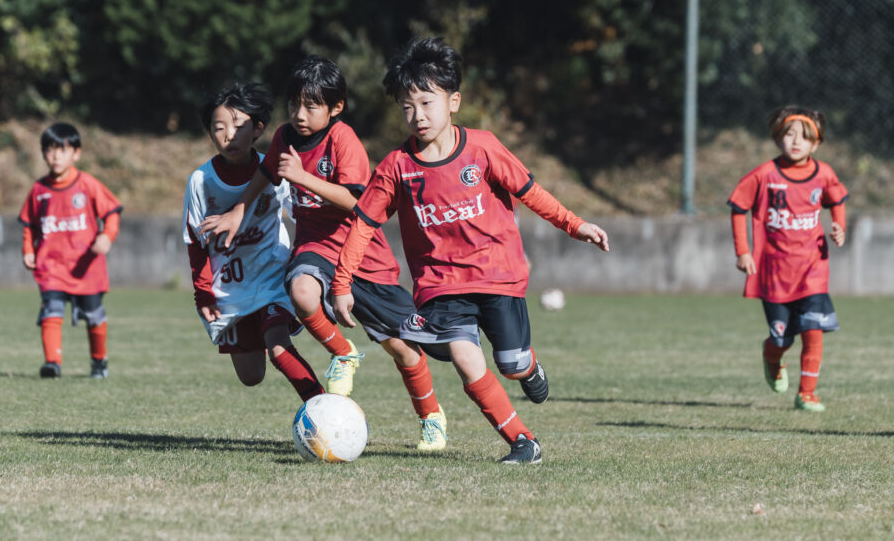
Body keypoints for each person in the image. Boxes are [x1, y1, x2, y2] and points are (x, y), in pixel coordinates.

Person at [332, 37, 610, 464]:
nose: (418, 115)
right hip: (442, 286)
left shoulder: (482, 148)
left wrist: (576, 225)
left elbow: (531, 192)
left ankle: (528, 367)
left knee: (512, 364)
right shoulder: (396, 168)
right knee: (465, 358)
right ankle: (523, 442)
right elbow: (363, 226)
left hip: (498, 275)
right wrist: (342, 282)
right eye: (407, 106)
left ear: (453, 101)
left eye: (427, 102)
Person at [201, 56, 449, 451]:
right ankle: (343, 352)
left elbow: (357, 203)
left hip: (360, 252)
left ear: (335, 108)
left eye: (311, 106)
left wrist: (302, 177)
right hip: (314, 246)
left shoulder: (343, 140)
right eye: (294, 104)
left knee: (402, 348)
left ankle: (431, 418)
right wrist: (238, 210)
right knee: (301, 291)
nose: (300, 115)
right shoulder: (284, 137)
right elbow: (266, 174)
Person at [183, 82, 324, 402]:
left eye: (238, 126)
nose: (228, 135)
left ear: (258, 129)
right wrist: (204, 294)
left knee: (277, 344)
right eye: (219, 128)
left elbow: (303, 217)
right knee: (251, 376)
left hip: (273, 275)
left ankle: (321, 405)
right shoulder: (201, 181)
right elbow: (195, 242)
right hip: (231, 287)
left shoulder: (275, 170)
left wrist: (306, 263)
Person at [728, 106, 848, 412]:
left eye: (804, 137)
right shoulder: (764, 175)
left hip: (812, 268)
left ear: (816, 143)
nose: (795, 142)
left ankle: (807, 393)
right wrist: (743, 251)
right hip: (774, 272)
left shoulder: (824, 174)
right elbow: (739, 207)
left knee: (814, 329)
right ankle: (771, 358)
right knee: (782, 339)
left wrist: (839, 228)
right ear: (777, 137)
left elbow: (836, 201)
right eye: (788, 134)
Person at [19, 122, 123, 379]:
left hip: (85, 267)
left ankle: (99, 360)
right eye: (50, 150)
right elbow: (29, 226)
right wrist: (27, 250)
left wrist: (106, 237)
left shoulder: (87, 184)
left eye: (62, 150)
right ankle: (52, 363)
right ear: (43, 154)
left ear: (76, 153)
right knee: (50, 311)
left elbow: (111, 214)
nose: (56, 156)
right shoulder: (39, 190)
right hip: (51, 265)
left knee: (94, 315)